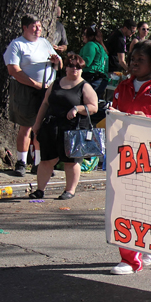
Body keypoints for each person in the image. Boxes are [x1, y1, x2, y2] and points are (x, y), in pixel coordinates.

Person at [109, 41, 151, 275]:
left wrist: (143, 118)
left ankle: (146, 247)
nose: (134, 63)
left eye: (140, 60)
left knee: (147, 205)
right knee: (124, 205)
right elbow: (114, 115)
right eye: (132, 59)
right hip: (122, 154)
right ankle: (130, 258)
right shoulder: (122, 86)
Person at [30, 53, 98, 200]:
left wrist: (77, 108)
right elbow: (45, 103)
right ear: (66, 67)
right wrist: (37, 124)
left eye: (78, 67)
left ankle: (70, 190)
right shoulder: (56, 83)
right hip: (52, 126)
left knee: (71, 161)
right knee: (46, 160)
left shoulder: (84, 86)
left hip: (73, 129)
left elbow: (94, 107)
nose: (75, 69)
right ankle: (40, 190)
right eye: (71, 66)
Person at [4, 13, 62, 177]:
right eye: (34, 27)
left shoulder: (44, 43)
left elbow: (59, 63)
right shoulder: (17, 45)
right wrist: (34, 84)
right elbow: (13, 70)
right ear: (25, 28)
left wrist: (57, 61)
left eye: (39, 26)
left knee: (42, 128)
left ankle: (38, 163)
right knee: (26, 127)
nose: (38, 30)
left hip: (45, 90)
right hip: (26, 90)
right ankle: (21, 162)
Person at [78, 25, 110, 99]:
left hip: (92, 79)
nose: (83, 36)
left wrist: (73, 58)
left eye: (84, 34)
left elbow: (86, 62)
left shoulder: (90, 45)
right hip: (102, 81)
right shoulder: (102, 48)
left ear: (91, 36)